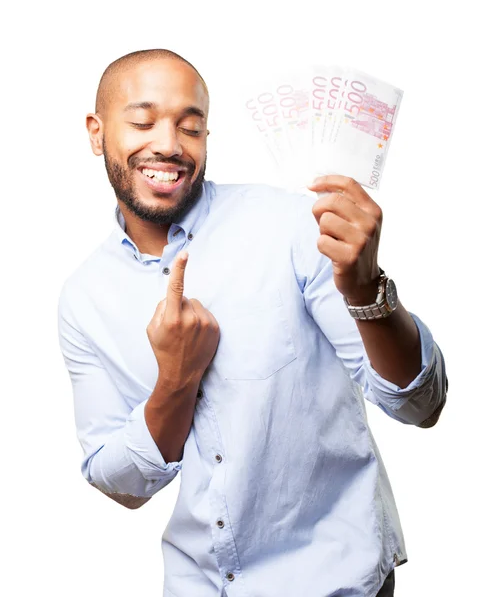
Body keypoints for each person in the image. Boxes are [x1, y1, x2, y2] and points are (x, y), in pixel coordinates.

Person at [57, 48, 447, 597]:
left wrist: (367, 292)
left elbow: (418, 403)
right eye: (143, 122)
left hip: (334, 582)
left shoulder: (291, 225)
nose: (168, 144)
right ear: (97, 133)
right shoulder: (84, 298)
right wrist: (177, 380)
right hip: (200, 583)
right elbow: (118, 480)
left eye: (190, 128)